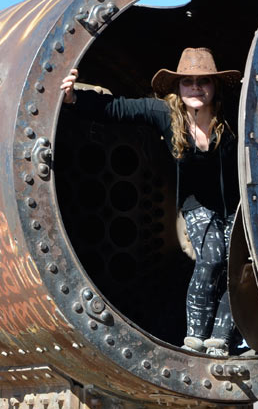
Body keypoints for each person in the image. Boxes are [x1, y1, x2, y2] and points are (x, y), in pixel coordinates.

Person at [61, 47, 241, 356]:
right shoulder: (165, 114)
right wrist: (74, 98)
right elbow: (118, 108)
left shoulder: (231, 116)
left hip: (232, 205)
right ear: (178, 87)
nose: (196, 88)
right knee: (211, 258)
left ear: (216, 86)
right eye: (188, 82)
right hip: (195, 203)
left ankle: (222, 338)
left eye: (204, 82)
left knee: (234, 266)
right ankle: (195, 338)